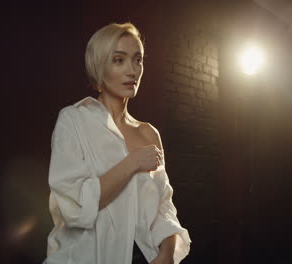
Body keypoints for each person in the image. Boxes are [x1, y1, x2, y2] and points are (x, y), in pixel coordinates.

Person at [44, 22, 191, 264]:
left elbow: (164, 206)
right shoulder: (73, 120)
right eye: (119, 60)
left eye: (137, 59)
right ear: (99, 65)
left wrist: (166, 254)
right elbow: (74, 206)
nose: (132, 70)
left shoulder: (149, 134)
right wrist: (132, 163)